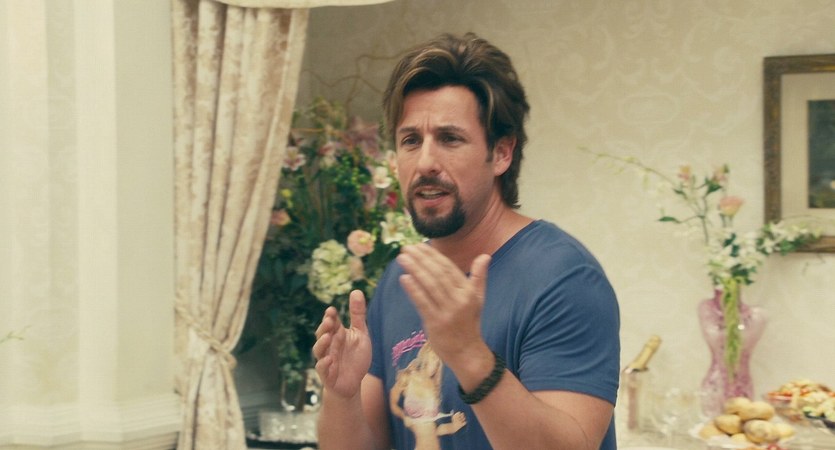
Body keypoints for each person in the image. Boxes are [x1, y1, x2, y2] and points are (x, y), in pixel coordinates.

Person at [313, 32, 620, 450]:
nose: (425, 162)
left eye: (449, 139)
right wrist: (341, 395)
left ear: (502, 153)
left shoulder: (564, 279)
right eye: (410, 141)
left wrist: (469, 355)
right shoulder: (401, 277)